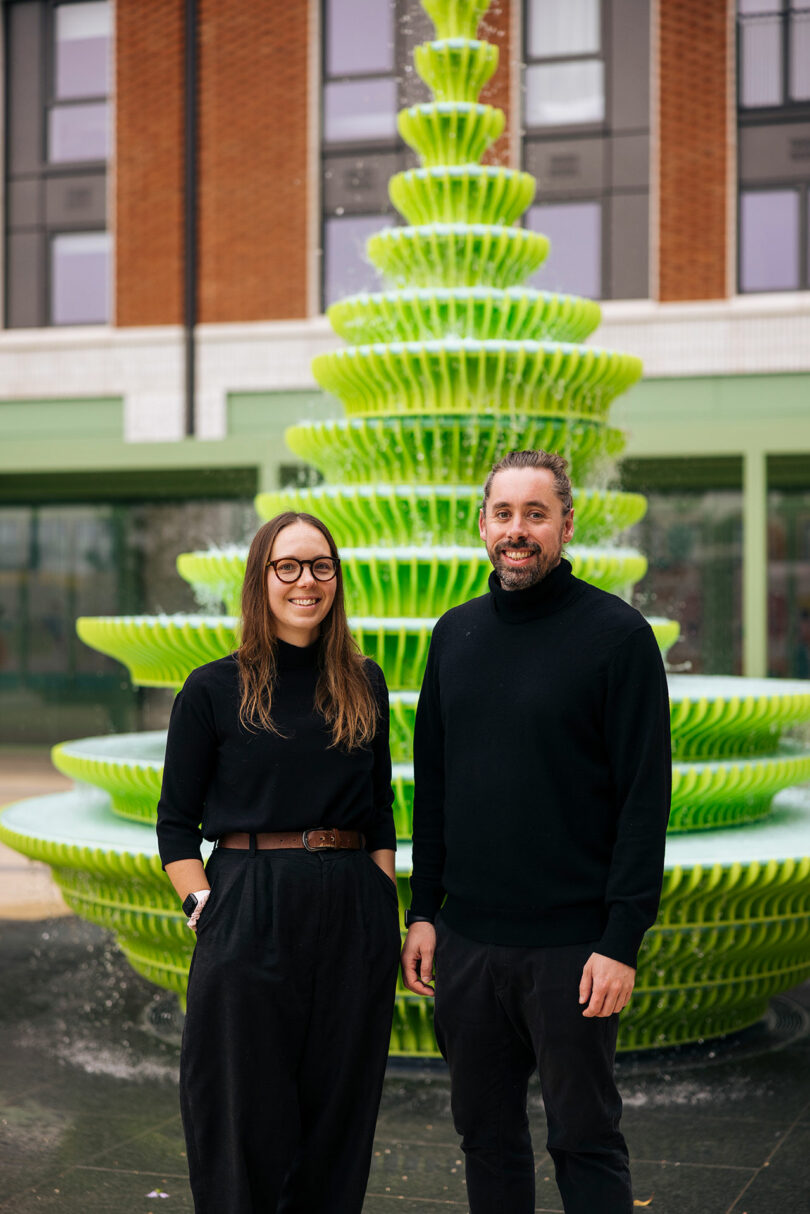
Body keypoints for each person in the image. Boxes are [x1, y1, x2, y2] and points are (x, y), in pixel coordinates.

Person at [401, 450, 671, 1214]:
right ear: (482, 525)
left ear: (566, 525)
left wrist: (621, 938)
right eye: (504, 514)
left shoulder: (618, 636)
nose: (517, 530)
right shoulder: (453, 635)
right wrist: (424, 912)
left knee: (585, 1141)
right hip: (467, 947)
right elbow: (434, 788)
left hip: (573, 951)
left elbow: (645, 800)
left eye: (535, 514)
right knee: (485, 1139)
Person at [156, 511, 400, 1214]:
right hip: (248, 900)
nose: (305, 581)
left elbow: (379, 807)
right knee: (242, 1107)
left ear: (336, 579)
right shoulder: (212, 689)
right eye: (287, 566)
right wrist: (204, 905)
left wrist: (380, 900)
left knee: (340, 1111)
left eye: (321, 566)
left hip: (351, 905)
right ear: (260, 577)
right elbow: (175, 824)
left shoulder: (364, 681)